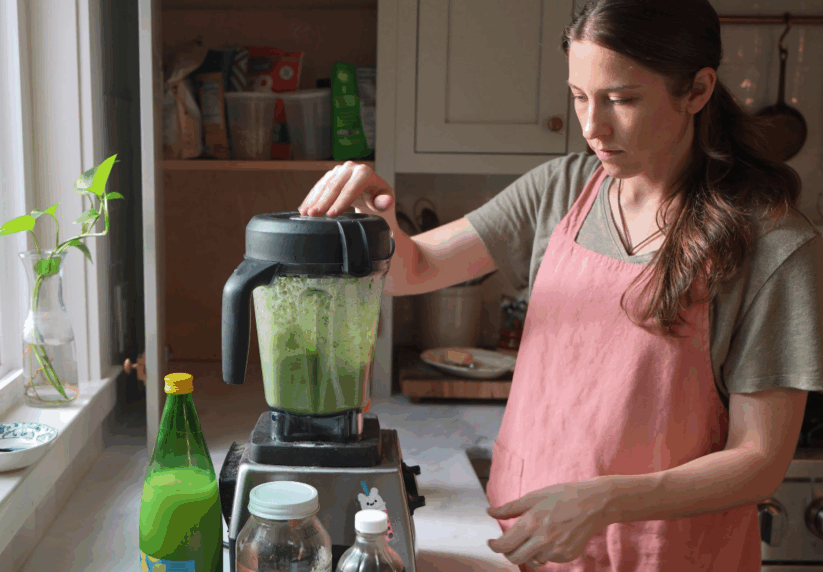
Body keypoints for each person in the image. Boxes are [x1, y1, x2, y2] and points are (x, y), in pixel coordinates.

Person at [298, 0, 823, 569]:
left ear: (697, 90)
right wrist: (379, 216)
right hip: (527, 546)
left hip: (667, 557)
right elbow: (414, 269)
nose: (593, 126)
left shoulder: (771, 241)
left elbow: (761, 459)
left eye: (622, 99)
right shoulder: (562, 187)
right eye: (580, 97)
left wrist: (604, 501)